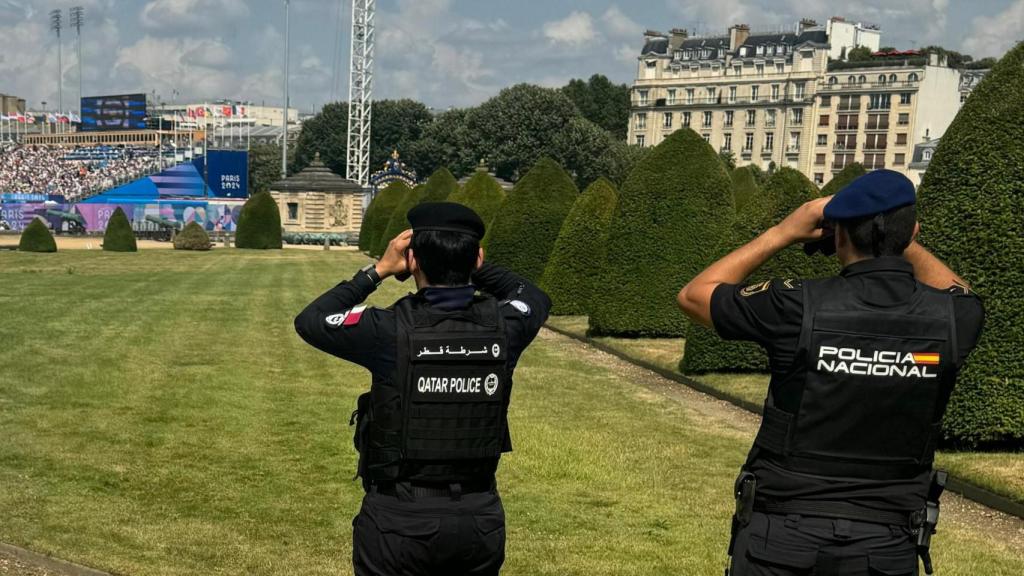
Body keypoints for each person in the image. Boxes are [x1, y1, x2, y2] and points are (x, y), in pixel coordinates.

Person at [676, 170, 984, 576]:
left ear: (838, 236)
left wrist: (782, 232)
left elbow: (694, 296)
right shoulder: (951, 319)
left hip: (781, 536)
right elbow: (962, 294)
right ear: (912, 234)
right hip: (886, 543)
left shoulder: (797, 306)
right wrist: (895, 239)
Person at [294, 202, 551, 576]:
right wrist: (475, 266)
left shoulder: (388, 330)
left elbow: (311, 320)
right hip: (478, 520)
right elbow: (535, 298)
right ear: (476, 257)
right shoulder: (505, 325)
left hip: (400, 521)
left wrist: (379, 270)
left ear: (412, 260)